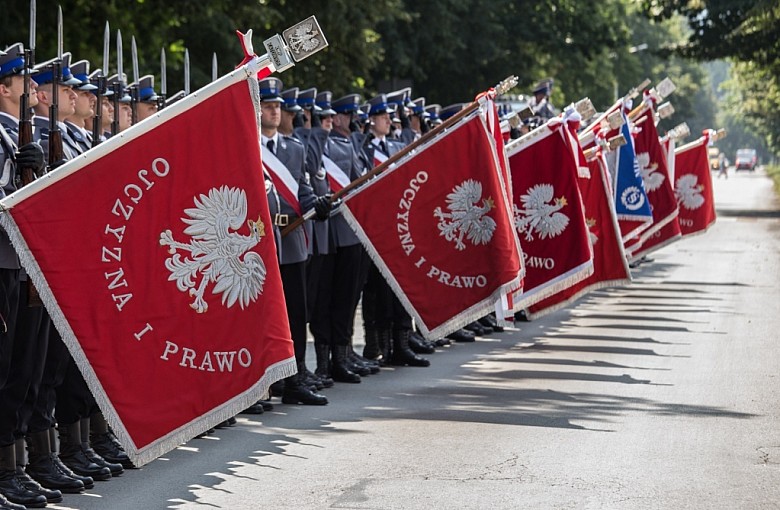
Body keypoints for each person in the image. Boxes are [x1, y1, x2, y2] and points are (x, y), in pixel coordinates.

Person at [0, 43, 55, 510]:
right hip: (2, 265)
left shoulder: (29, 135)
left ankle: (14, 468)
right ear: (4, 88)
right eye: (24, 81)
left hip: (23, 264)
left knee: (25, 370)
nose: (34, 88)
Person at [257, 77, 331, 405]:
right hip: (258, 241)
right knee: (262, 314)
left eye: (278, 107)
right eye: (269, 106)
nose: (275, 112)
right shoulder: (246, 147)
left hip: (292, 241)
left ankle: (295, 376)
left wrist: (317, 204)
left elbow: (303, 191)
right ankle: (261, 382)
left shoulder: (295, 148)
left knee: (295, 313)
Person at [360, 94, 430, 368]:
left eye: (390, 117)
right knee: (377, 290)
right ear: (372, 120)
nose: (389, 121)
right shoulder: (363, 147)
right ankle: (379, 344)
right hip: (373, 227)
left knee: (400, 286)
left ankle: (401, 344)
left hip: (397, 228)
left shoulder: (395, 146)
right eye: (384, 117)